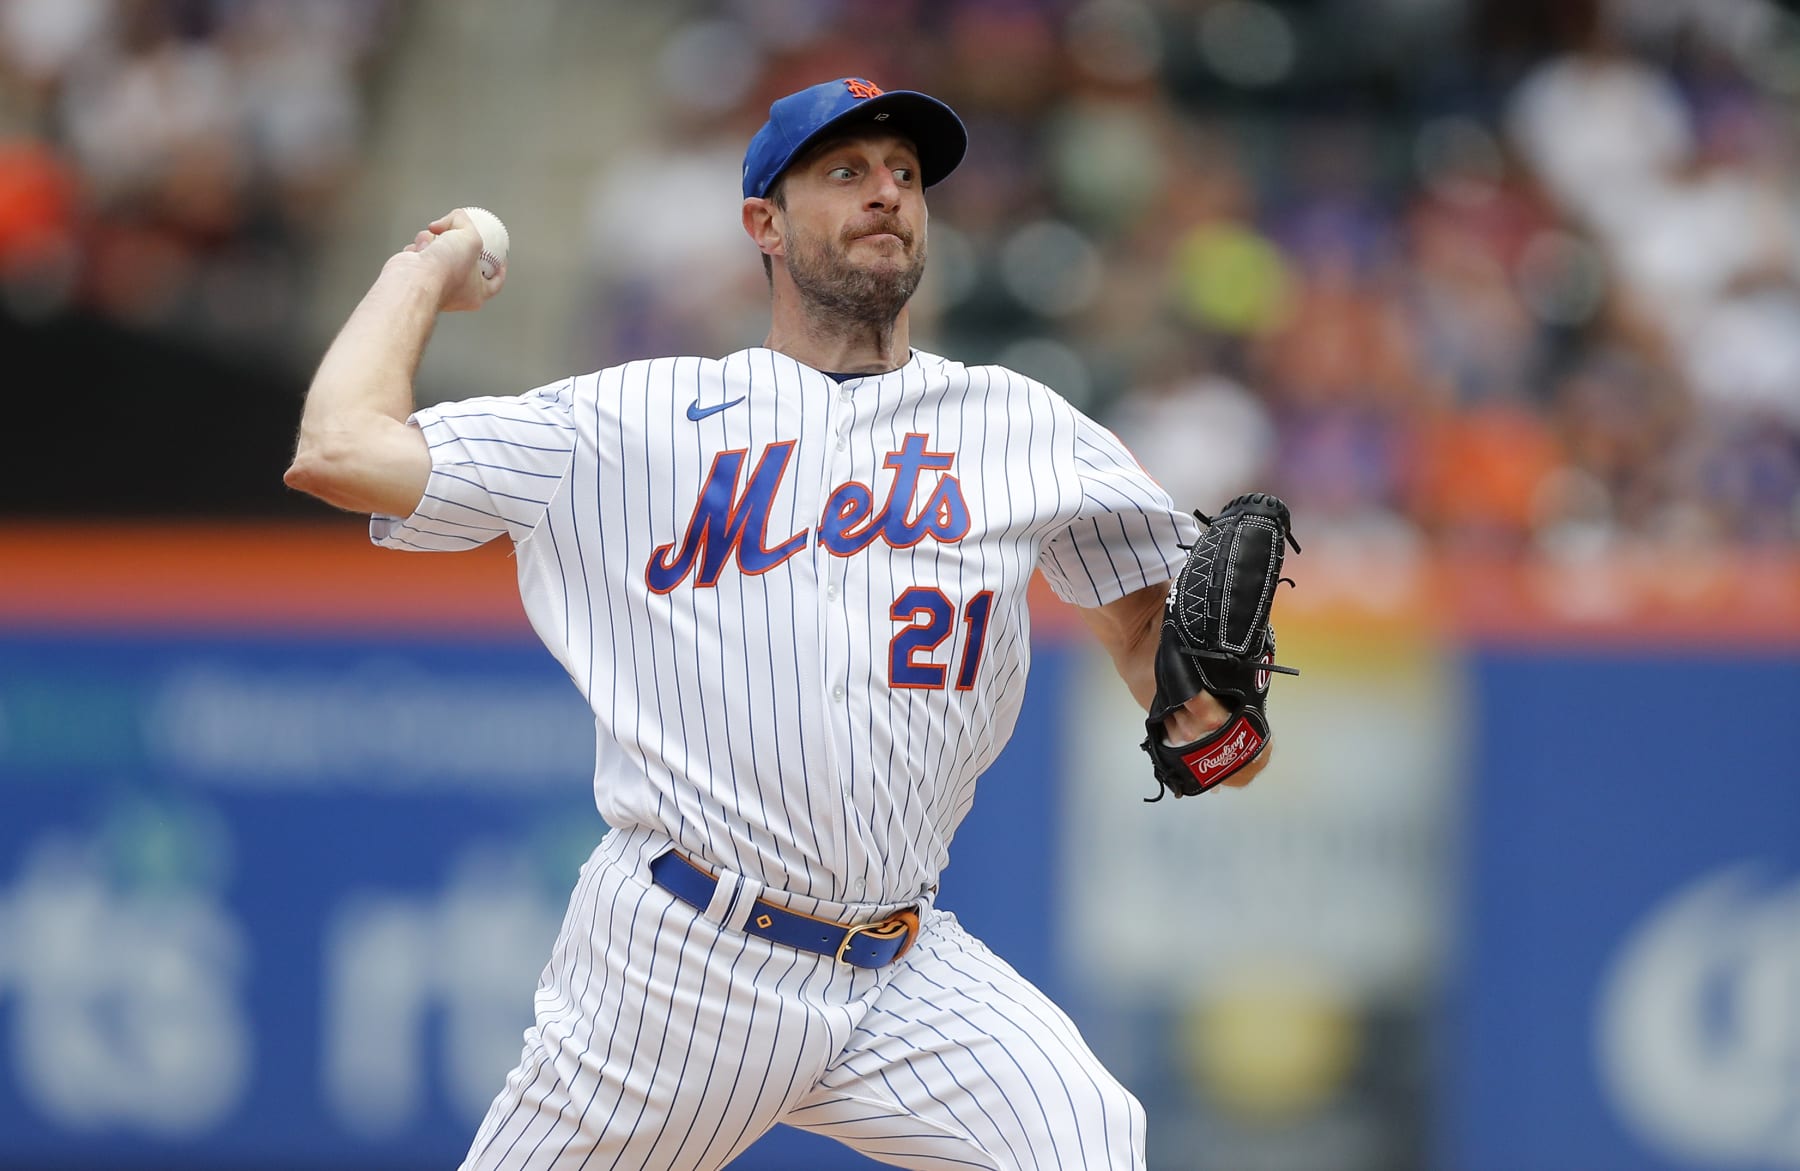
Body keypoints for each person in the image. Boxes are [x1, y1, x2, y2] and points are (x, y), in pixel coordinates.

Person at [285, 76, 1270, 1171]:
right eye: (844, 172)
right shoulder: (629, 420)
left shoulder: (1023, 425)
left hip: (902, 968)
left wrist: (1216, 725)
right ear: (764, 223)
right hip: (680, 964)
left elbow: (1148, 632)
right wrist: (420, 268)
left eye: (904, 174)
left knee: (1086, 1137)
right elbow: (338, 449)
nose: (886, 194)